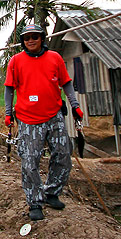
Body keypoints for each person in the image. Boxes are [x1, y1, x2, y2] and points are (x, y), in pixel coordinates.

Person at [5, 24, 83, 222]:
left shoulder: (55, 58)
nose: (30, 40)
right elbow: (9, 89)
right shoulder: (15, 61)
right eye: (26, 37)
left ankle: (52, 192)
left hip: (54, 115)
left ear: (42, 38)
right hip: (28, 119)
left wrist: (74, 105)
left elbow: (66, 83)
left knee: (63, 154)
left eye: (35, 37)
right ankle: (35, 201)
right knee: (30, 161)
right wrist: (8, 113)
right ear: (23, 41)